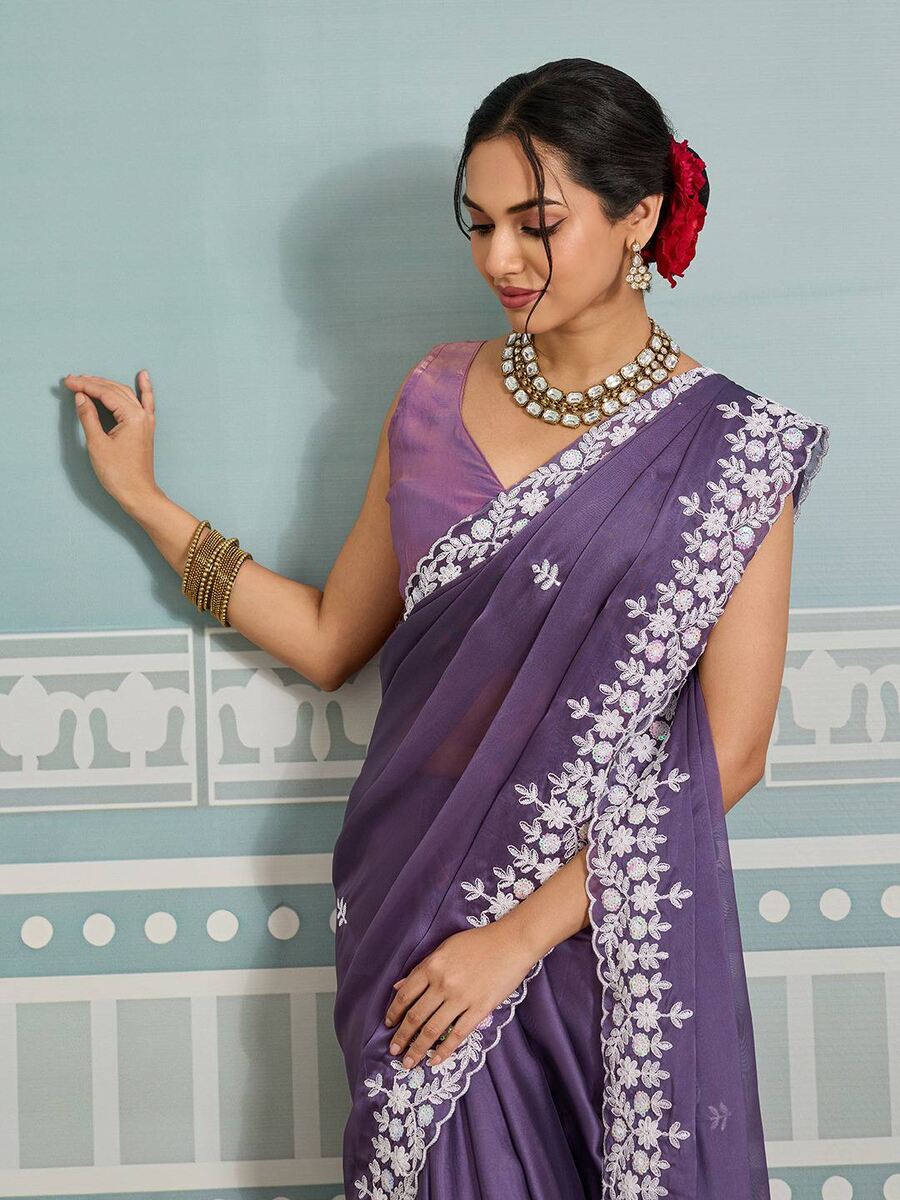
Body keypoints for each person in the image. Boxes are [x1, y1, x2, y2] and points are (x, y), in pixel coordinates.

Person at [64, 57, 830, 1200]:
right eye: (479, 225)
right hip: (413, 916)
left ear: (640, 216)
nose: (499, 260)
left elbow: (734, 751)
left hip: (597, 947)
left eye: (537, 225)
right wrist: (145, 500)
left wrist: (514, 940)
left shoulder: (731, 452)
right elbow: (330, 635)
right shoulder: (432, 394)